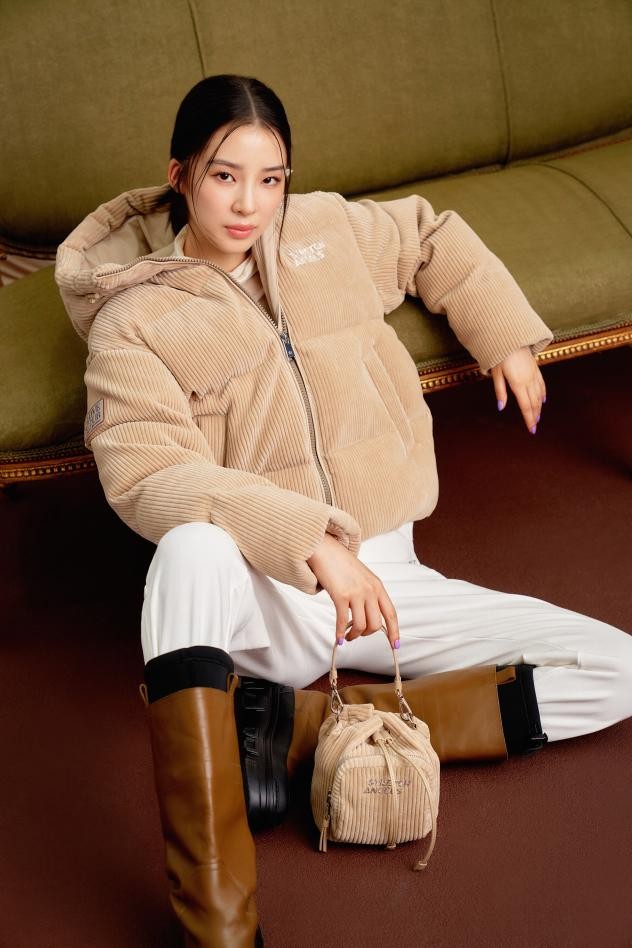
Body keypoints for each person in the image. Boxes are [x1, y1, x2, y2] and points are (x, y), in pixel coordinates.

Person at [55, 74, 632, 948]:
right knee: (188, 551)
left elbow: (430, 235)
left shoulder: (323, 231)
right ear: (180, 175)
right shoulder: (132, 319)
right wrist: (313, 543)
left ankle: (299, 730)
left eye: (271, 178)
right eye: (224, 176)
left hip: (391, 587)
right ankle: (218, 923)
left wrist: (505, 335)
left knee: (616, 666)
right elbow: (146, 472)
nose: (249, 204)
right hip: (269, 595)